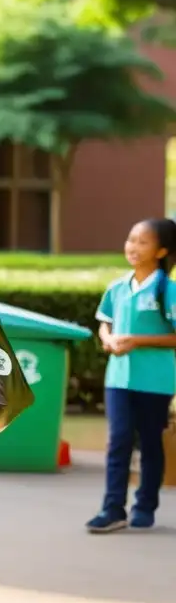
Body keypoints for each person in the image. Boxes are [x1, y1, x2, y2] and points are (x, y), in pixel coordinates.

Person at [88, 218, 176, 533]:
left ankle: (145, 505)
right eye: (131, 240)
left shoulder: (168, 290)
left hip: (155, 381)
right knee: (119, 440)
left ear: (162, 250)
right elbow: (105, 322)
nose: (133, 247)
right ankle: (112, 509)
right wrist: (108, 339)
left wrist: (137, 340)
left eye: (143, 242)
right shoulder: (117, 287)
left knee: (151, 442)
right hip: (118, 379)